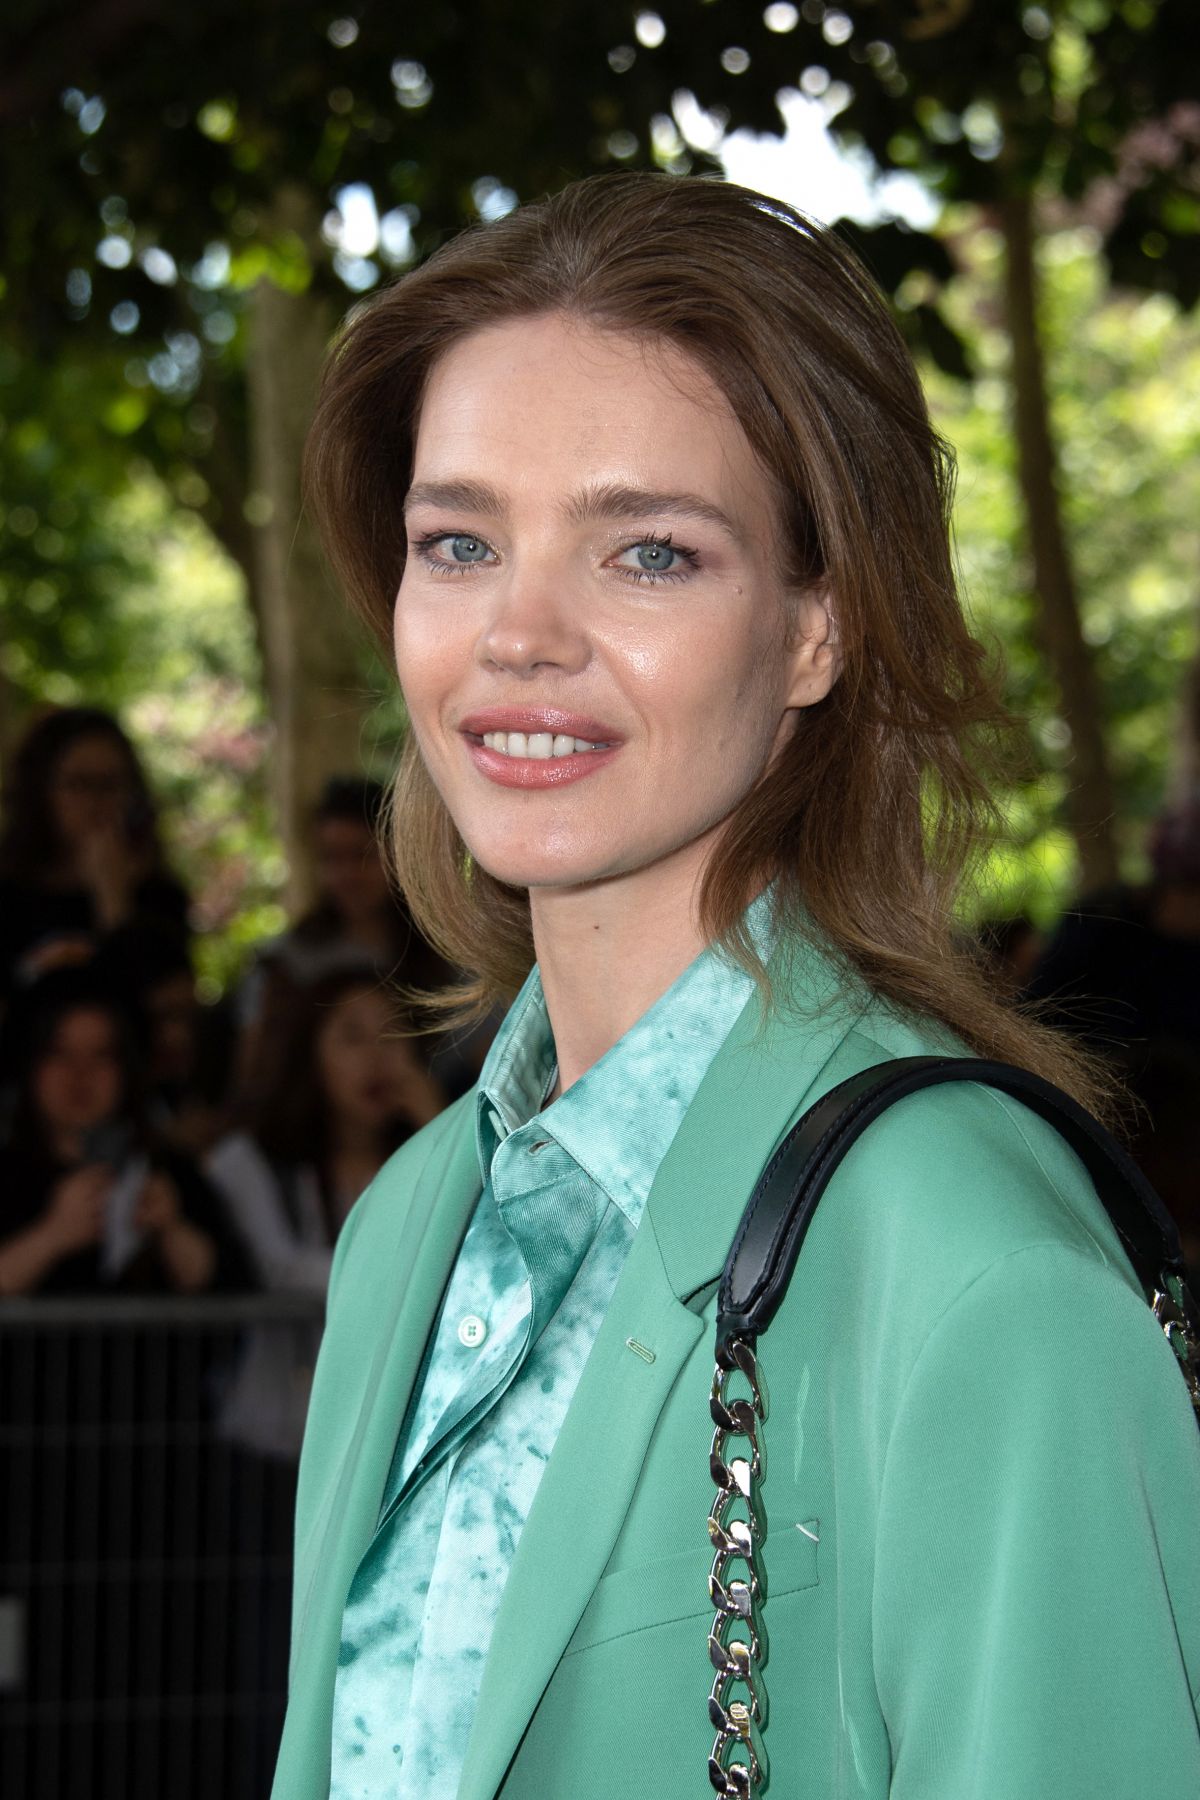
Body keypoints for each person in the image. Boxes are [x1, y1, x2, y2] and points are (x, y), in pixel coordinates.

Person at [273, 175, 1200, 1800]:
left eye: (647, 552)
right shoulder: (408, 1226)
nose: (521, 633)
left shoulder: (976, 1267)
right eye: (459, 542)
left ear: (820, 628)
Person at [206, 969, 444, 1458]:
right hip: (273, 1442)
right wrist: (407, 1281)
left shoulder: (427, 1161)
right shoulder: (249, 1161)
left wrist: (441, 1127)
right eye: (353, 1037)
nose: (378, 1058)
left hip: (388, 1445)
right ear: (308, 1056)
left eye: (395, 1035)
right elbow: (280, 1266)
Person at [0, 972, 243, 1296]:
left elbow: (235, 1290)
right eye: (59, 1053)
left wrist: (171, 1230)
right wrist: (52, 1235)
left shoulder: (169, 1173)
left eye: (101, 1055)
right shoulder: (6, 1176)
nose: (80, 1074)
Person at [0, 706, 190, 1006]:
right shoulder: (11, 894)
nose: (95, 802)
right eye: (78, 784)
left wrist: (114, 901)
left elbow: (161, 1007)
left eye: (110, 784)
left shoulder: (159, 898)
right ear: (39, 791)